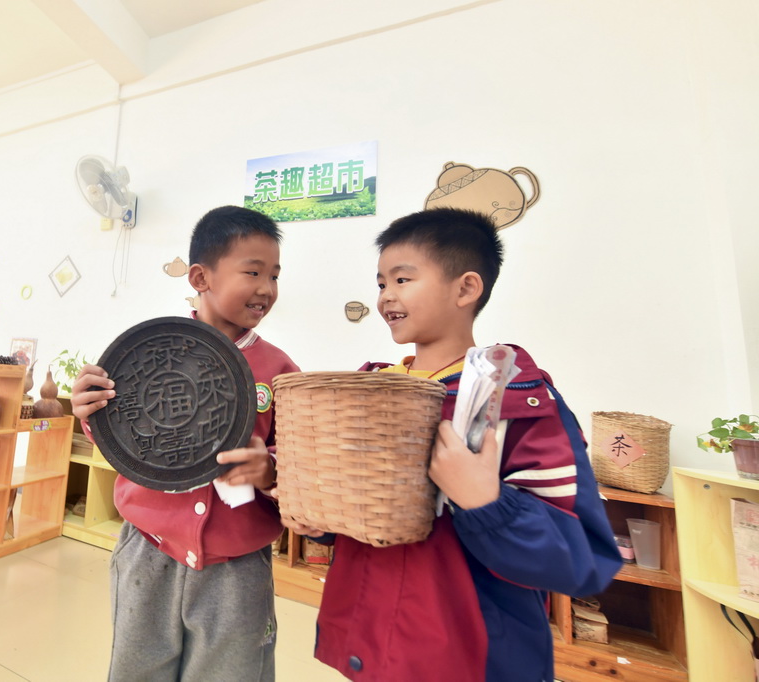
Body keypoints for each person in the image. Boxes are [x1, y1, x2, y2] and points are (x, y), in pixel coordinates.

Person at [292, 208, 622, 681]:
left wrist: (486, 502)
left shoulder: (515, 400)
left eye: (403, 279)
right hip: (369, 651)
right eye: (382, 283)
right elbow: (365, 514)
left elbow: (584, 560)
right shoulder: (372, 393)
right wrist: (318, 518)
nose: (386, 296)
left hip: (468, 660)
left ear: (466, 288)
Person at [70, 205, 300, 682]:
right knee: (138, 669)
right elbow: (124, 435)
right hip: (148, 550)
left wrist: (271, 467)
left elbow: (297, 456)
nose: (267, 288)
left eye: (274, 275)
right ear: (201, 276)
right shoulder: (143, 356)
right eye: (252, 272)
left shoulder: (280, 372)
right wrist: (90, 411)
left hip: (237, 564)